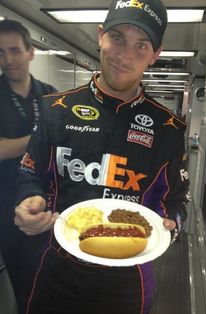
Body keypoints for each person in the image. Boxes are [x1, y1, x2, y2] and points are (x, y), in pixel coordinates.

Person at [14, 0, 190, 313]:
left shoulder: (170, 129)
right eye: (117, 37)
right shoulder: (55, 109)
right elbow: (30, 174)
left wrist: (172, 223)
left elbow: (177, 201)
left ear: (156, 54)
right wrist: (30, 199)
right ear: (100, 36)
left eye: (141, 45)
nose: (125, 56)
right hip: (56, 268)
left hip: (129, 281)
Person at [0, 19, 57, 313]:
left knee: (45, 271)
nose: (7, 60)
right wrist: (36, 139)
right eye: (0, 52)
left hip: (42, 201)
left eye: (14, 50)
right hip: (4, 204)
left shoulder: (51, 95)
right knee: (17, 275)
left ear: (30, 52)